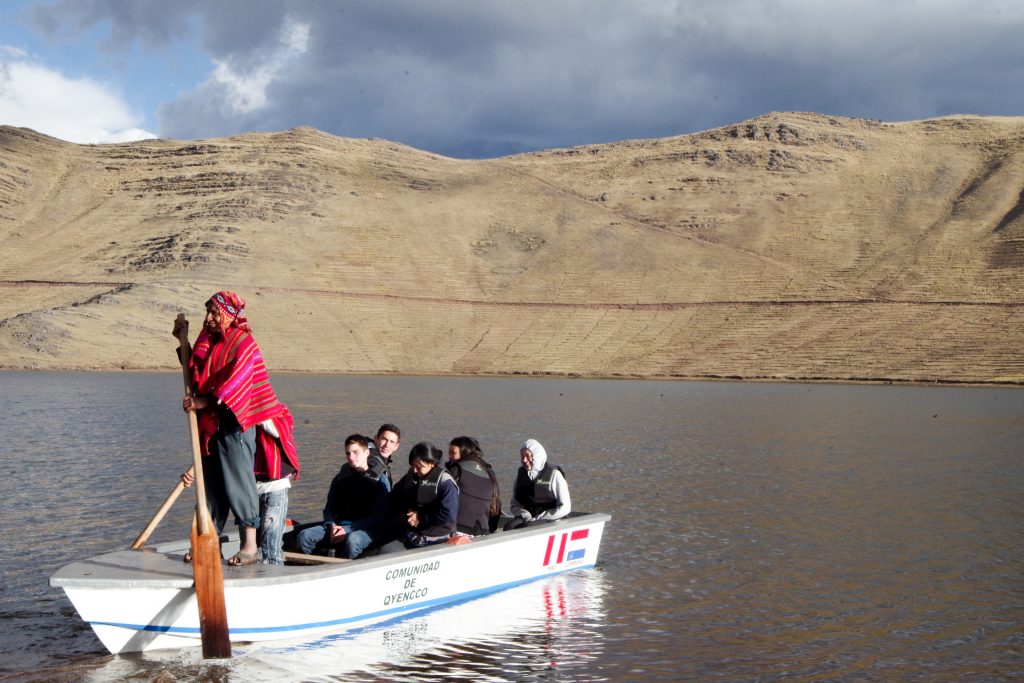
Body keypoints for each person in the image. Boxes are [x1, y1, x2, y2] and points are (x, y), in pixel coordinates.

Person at [173, 290, 299, 566]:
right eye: (208, 311)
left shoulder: (243, 343)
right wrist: (183, 342)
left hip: (236, 423)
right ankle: (208, 543)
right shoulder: (208, 339)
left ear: (229, 315)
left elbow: (239, 385)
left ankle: (249, 546)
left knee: (239, 480)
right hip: (212, 423)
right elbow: (196, 370)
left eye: (215, 313)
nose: (209, 318)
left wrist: (204, 402)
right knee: (211, 484)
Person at [295, 434, 391, 558]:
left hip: (365, 530)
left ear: (367, 453)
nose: (351, 457)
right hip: (338, 526)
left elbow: (379, 517)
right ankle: (317, 565)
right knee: (305, 536)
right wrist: (331, 524)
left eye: (356, 452)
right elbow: (329, 508)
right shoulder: (340, 478)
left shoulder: (381, 480)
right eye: (348, 453)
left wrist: (348, 529)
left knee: (353, 540)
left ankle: (352, 565)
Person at [378, 442, 459, 553]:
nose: (415, 470)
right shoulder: (411, 475)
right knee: (383, 546)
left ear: (432, 463)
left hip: (438, 537)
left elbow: (448, 515)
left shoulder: (445, 482)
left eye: (419, 466)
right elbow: (394, 498)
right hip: (411, 532)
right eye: (413, 465)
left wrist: (420, 516)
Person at [503, 438, 570, 530]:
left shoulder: (554, 475)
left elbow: (565, 507)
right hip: (528, 518)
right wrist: (525, 515)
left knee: (529, 527)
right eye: (522, 457)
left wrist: (540, 518)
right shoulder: (520, 477)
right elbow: (515, 504)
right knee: (509, 527)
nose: (524, 460)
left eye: (528, 456)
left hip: (551, 518)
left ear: (537, 456)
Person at [446, 436, 502, 535]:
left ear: (464, 452)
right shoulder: (489, 471)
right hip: (484, 530)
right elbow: (496, 504)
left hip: (458, 530)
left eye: (453, 453)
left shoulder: (456, 469)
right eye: (449, 453)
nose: (449, 456)